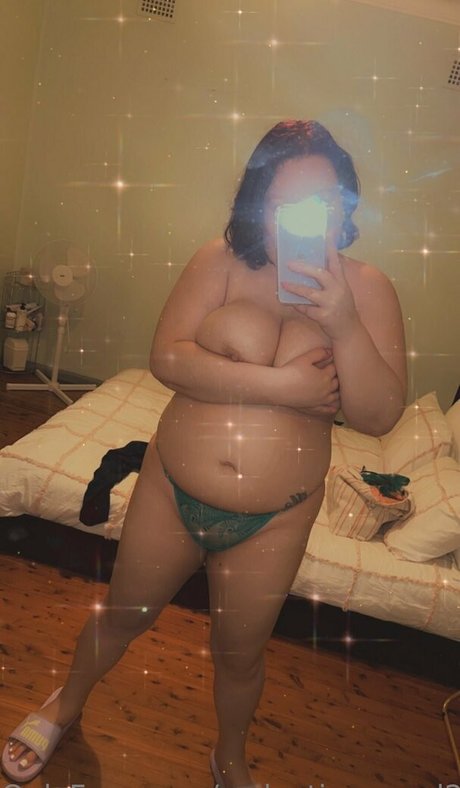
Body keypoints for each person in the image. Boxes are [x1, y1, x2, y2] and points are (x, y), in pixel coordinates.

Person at [2, 119, 407, 788]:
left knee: (239, 655)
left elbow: (379, 414)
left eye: (322, 202)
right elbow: (167, 358)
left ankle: (230, 757)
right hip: (172, 489)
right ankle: (64, 704)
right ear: (258, 203)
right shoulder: (218, 261)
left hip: (275, 518)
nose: (304, 219)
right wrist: (284, 388)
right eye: (284, 203)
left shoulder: (368, 290)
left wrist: (342, 322)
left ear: (345, 206)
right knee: (123, 613)